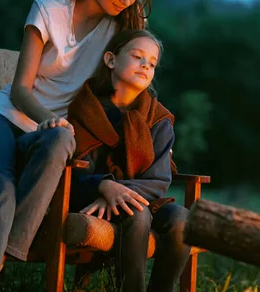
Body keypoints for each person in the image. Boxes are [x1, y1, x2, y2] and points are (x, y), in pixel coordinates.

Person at [0, 0, 153, 292]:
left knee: (63, 137)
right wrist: (47, 117)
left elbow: (139, 66)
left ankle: (6, 251)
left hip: (52, 136)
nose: (126, 1)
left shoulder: (116, 34)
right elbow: (20, 90)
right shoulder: (48, 11)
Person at [67, 29, 190, 292]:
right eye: (137, 56)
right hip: (88, 199)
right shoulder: (85, 109)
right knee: (137, 214)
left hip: (140, 198)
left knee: (182, 218)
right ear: (111, 60)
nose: (146, 65)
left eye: (152, 63)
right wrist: (103, 186)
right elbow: (73, 170)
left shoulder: (158, 119)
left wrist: (116, 192)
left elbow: (158, 181)